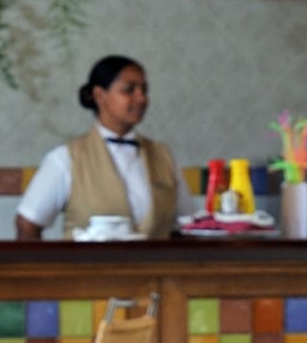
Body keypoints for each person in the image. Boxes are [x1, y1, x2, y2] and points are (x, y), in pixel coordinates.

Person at [14, 55, 186, 240]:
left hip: (155, 269)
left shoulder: (163, 156)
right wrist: (41, 268)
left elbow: (187, 225)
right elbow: (27, 224)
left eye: (144, 90)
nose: (141, 98)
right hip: (85, 269)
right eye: (129, 90)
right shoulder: (66, 158)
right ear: (100, 96)